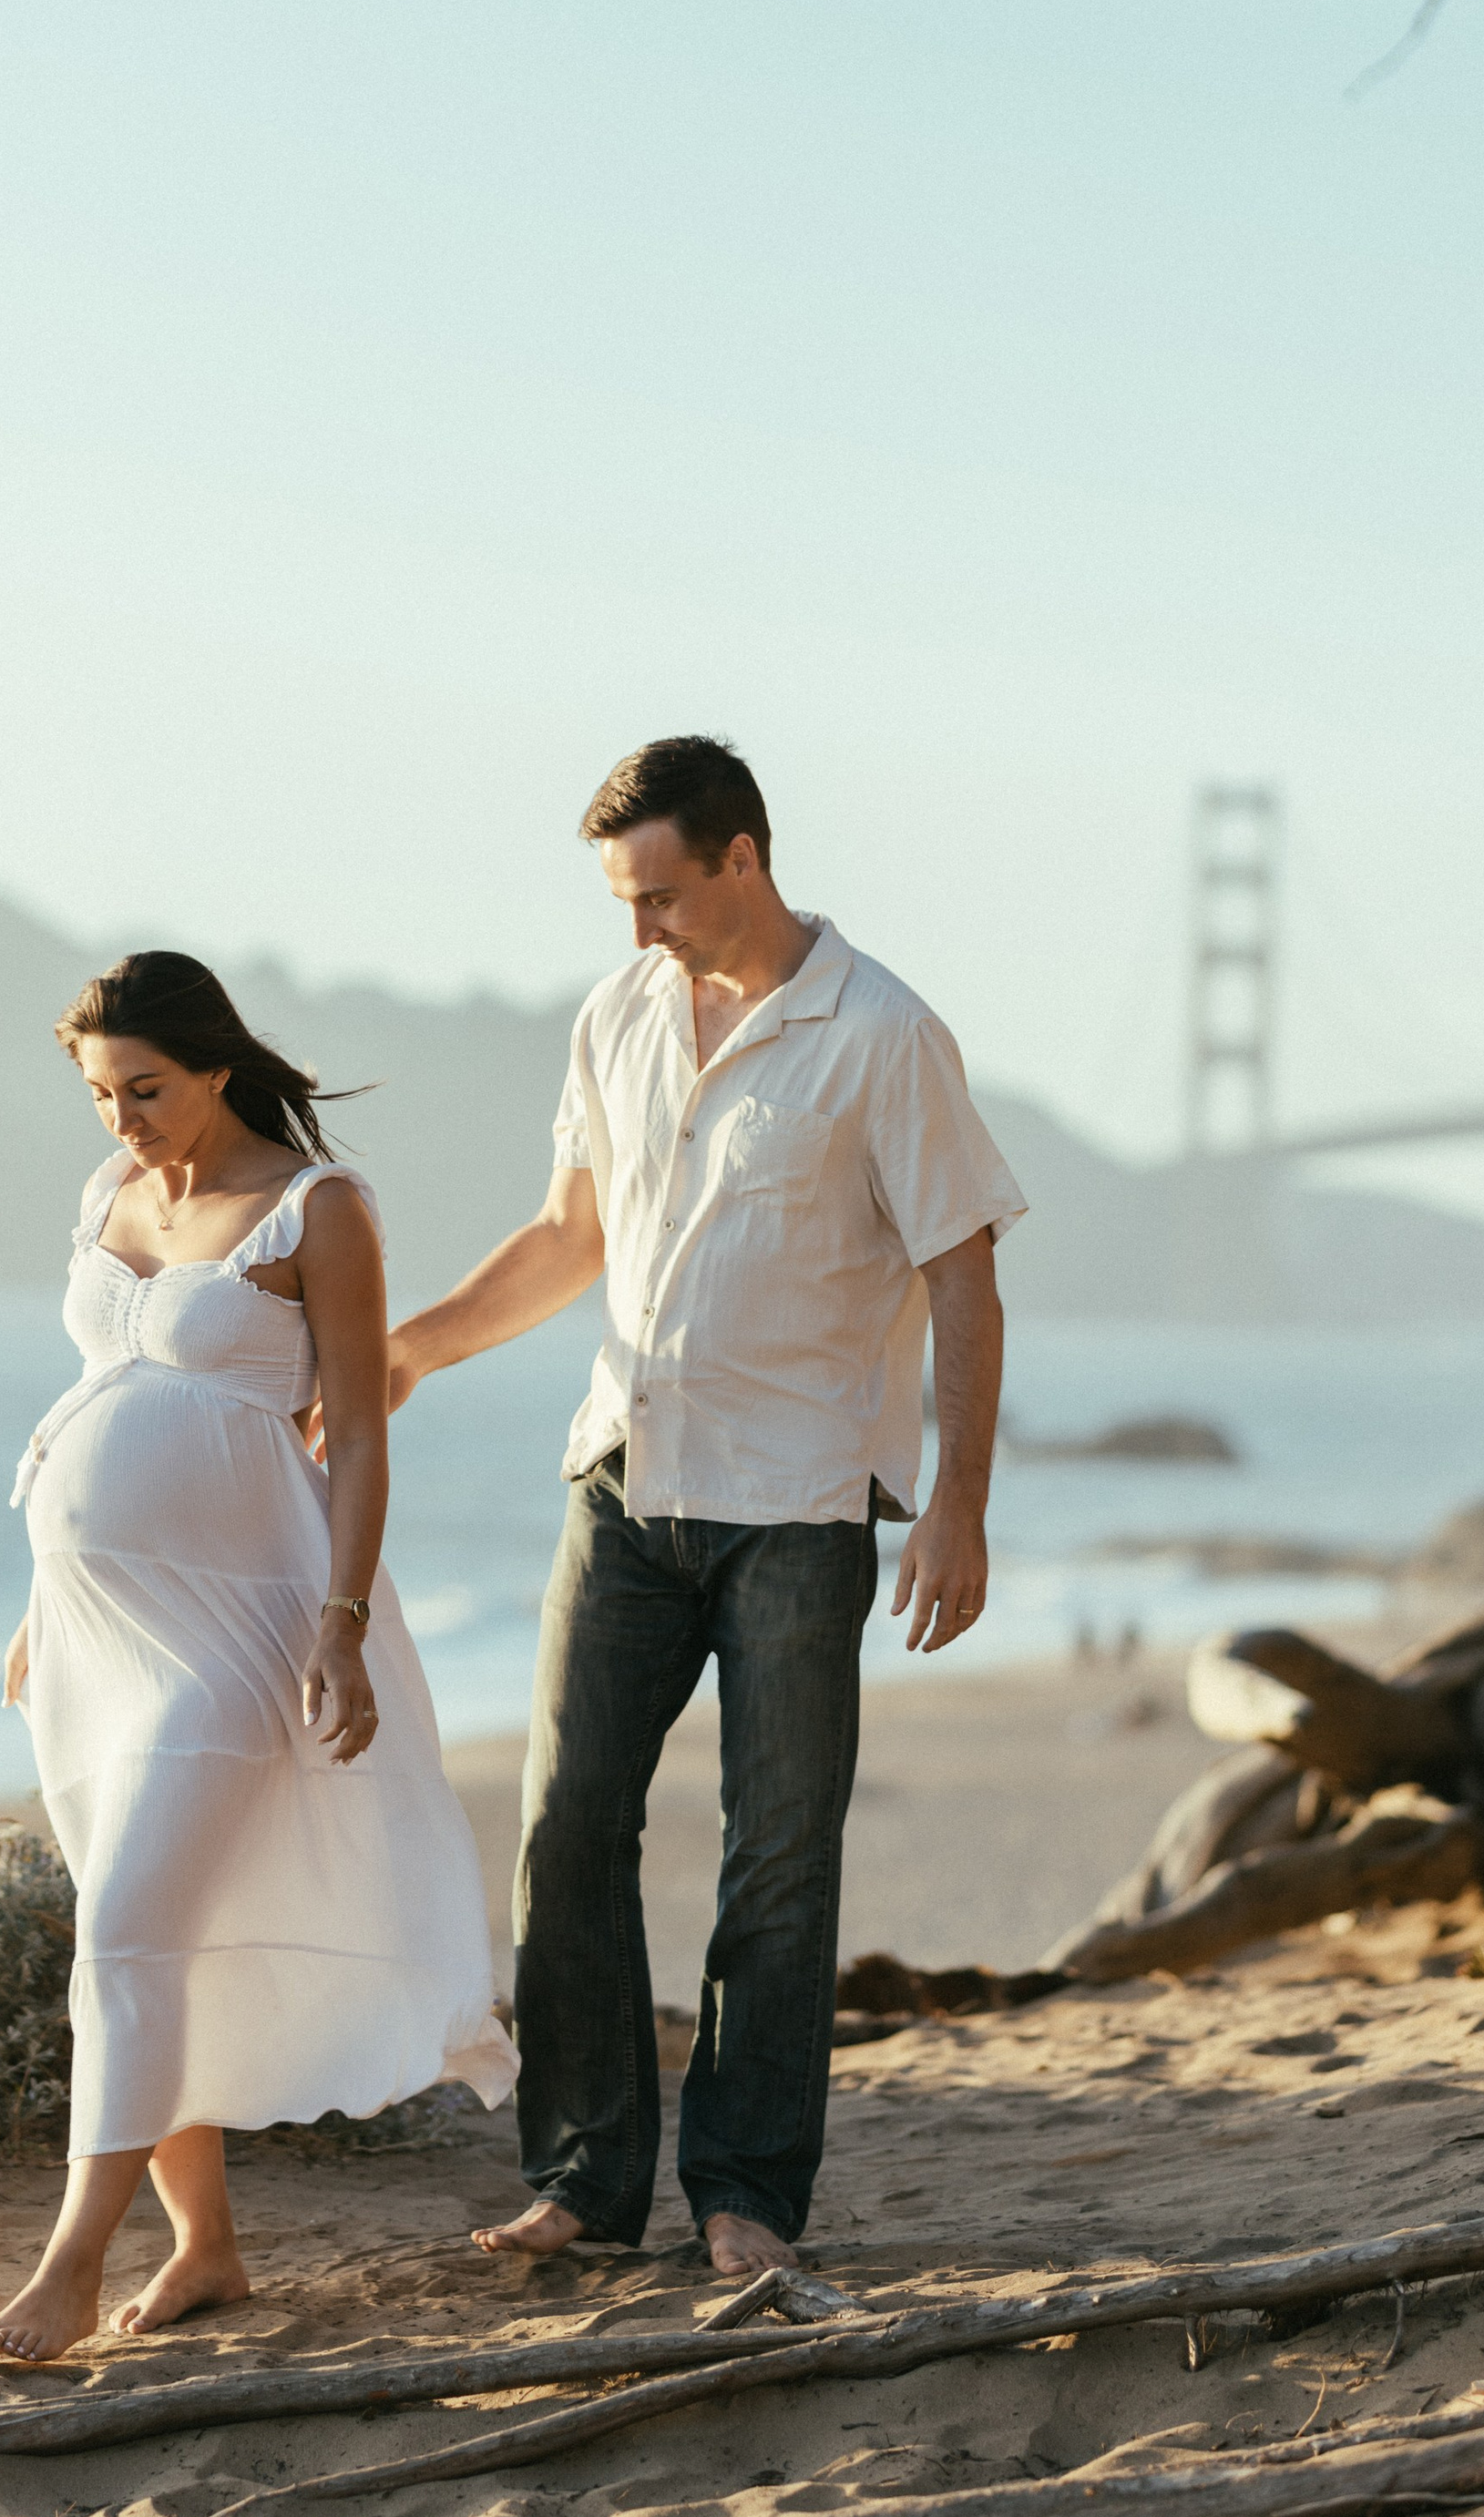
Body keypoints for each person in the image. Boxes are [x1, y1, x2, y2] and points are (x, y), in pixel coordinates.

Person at [383, 736, 1022, 2280]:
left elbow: (963, 1277)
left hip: (801, 1508)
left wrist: (956, 1508)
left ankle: (746, 2194)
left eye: (659, 895)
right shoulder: (617, 1015)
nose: (638, 928)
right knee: (564, 1824)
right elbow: (568, 1235)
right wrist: (410, 1348)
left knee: (779, 1857)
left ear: (744, 857)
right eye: (621, 899)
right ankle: (589, 2180)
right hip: (626, 1481)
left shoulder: (884, 1034)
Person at [0, 951, 516, 2363]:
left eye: (143, 1089)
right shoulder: (109, 1197)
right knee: (156, 1940)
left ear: (217, 1063)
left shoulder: (317, 1210)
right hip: (95, 1638)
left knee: (126, 1934)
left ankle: (75, 2262)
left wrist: (340, 1628)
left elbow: (363, 1428)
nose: (122, 1122)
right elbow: (109, 1389)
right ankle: (207, 2250)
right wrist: (50, 1589)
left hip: (242, 1632)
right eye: (99, 1095)